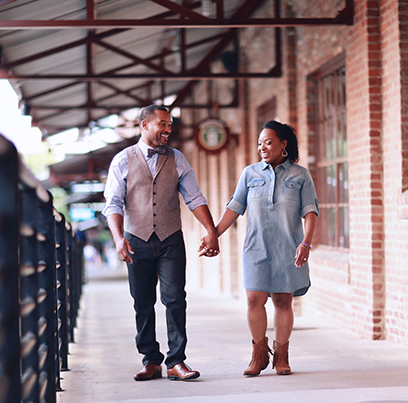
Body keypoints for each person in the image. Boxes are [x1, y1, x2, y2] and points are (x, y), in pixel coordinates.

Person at [103, 104, 219, 382]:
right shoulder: (123, 159)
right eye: (162, 124)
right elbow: (113, 204)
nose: (168, 129)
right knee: (143, 301)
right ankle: (151, 361)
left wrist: (210, 229)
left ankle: (176, 361)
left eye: (170, 125)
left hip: (170, 239)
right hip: (135, 240)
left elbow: (194, 197)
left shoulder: (177, 159)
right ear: (144, 126)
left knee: (175, 299)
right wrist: (119, 239)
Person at [202, 120, 318, 376]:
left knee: (282, 300)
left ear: (283, 144)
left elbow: (310, 211)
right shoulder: (250, 174)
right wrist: (214, 234)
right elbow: (234, 207)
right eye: (259, 144)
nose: (262, 148)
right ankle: (258, 355)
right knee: (254, 299)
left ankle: (281, 356)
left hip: (288, 247)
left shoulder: (300, 175)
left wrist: (306, 242)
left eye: (268, 142)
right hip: (255, 247)